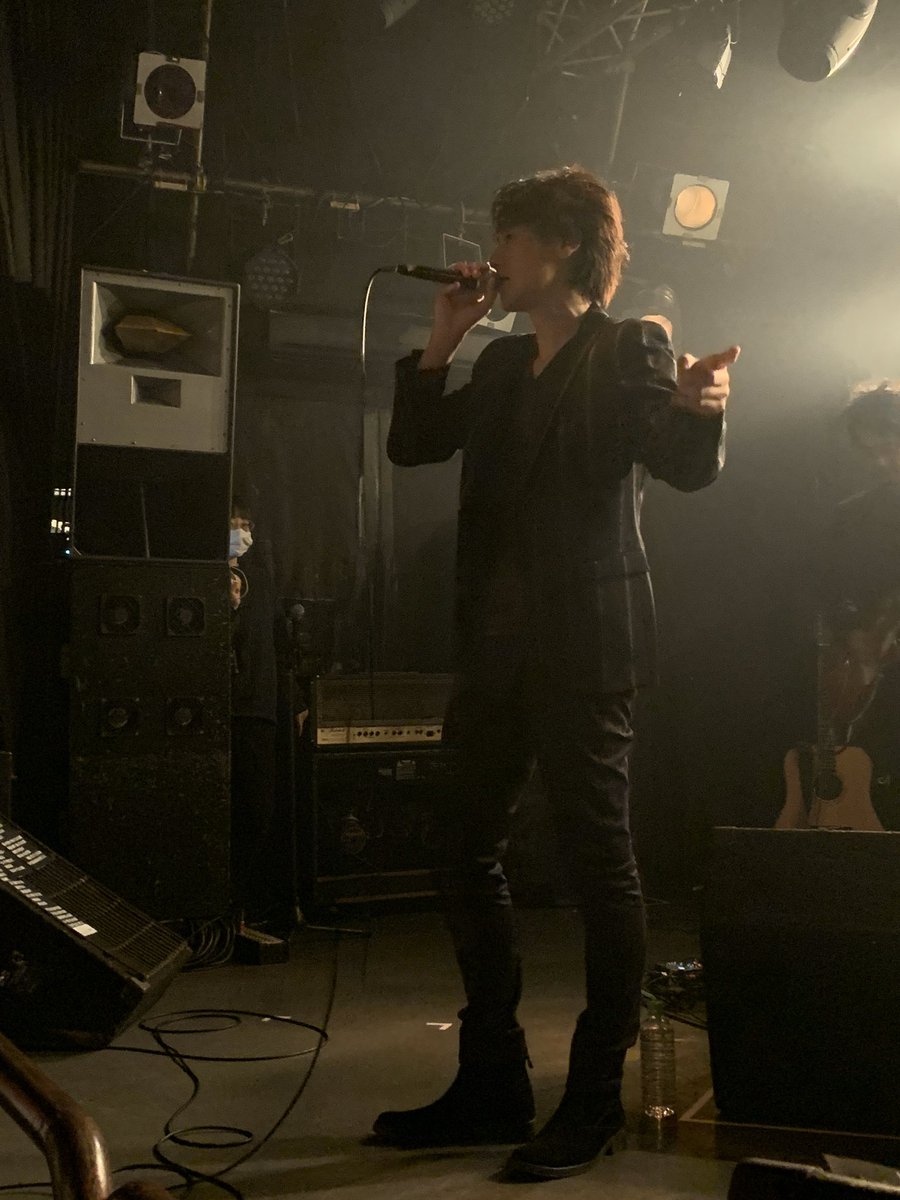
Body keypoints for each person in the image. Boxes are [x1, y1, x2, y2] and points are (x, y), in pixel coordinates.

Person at [373, 165, 739, 1179]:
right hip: (495, 649)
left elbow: (681, 464)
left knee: (599, 868)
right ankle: (492, 1078)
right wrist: (443, 340)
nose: (494, 256)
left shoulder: (629, 347)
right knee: (461, 847)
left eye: (511, 238)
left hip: (587, 648)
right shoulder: (498, 364)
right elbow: (412, 445)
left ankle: (591, 1097)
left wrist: (702, 407)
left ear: (566, 245)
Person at [810, 383, 900, 828]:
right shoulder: (854, 516)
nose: (881, 462)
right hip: (879, 681)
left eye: (888, 447)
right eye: (870, 453)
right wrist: (855, 632)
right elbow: (830, 588)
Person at [228, 496, 280, 927]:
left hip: (259, 708)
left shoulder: (259, 576)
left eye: (247, 525)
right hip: (226, 710)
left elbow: (272, 639)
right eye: (235, 524)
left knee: (258, 813)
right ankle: (226, 911)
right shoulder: (207, 578)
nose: (243, 532)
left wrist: (294, 700)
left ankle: (242, 907)